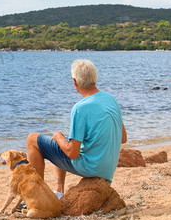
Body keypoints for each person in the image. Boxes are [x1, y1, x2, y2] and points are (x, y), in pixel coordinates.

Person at [27, 59, 127, 200]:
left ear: (75, 82)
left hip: (91, 168)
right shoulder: (111, 99)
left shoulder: (80, 108)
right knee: (64, 142)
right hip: (107, 170)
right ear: (94, 78)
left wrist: (57, 136)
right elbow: (123, 138)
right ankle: (59, 191)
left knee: (33, 139)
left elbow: (72, 153)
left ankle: (36, 197)